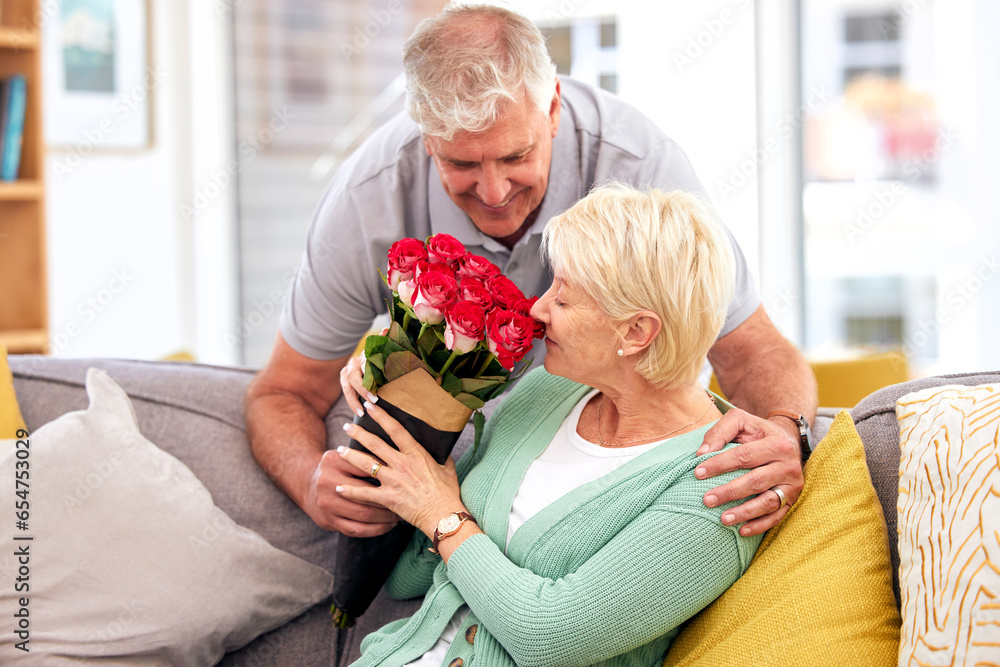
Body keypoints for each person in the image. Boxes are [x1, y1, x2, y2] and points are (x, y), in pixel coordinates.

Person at [245, 3, 816, 544]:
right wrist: (312, 484)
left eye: (516, 156)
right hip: (446, 497)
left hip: (612, 487)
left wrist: (786, 433)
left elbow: (751, 350)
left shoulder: (644, 170)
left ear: (554, 109)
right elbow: (283, 391)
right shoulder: (366, 198)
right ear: (426, 139)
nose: (493, 193)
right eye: (462, 163)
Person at [335, 184, 765, 666]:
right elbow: (408, 578)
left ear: (636, 332)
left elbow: (549, 637)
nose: (537, 310)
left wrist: (442, 515)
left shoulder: (720, 485)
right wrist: (399, 393)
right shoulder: (547, 392)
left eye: (563, 298)